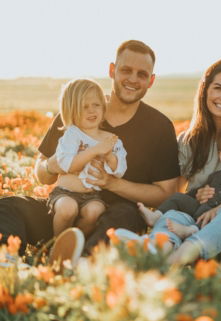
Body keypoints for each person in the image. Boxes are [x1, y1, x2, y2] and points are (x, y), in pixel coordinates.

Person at [0, 40, 180, 260]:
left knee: (127, 215)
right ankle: (7, 262)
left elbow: (166, 194)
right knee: (8, 207)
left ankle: (79, 262)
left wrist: (113, 183)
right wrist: (51, 165)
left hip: (112, 218)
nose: (133, 79)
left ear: (151, 81)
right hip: (63, 210)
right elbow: (42, 174)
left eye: (142, 74)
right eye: (126, 70)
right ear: (112, 70)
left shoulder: (159, 127)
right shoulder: (78, 110)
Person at [116, 58, 221, 265]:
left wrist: (219, 209)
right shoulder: (188, 140)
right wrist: (195, 196)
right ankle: (158, 248)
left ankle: (178, 259)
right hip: (198, 220)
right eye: (218, 88)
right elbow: (174, 192)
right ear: (205, 90)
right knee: (174, 214)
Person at [138, 125, 221, 240]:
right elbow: (198, 191)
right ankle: (156, 216)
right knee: (177, 198)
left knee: (210, 220)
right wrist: (195, 195)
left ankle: (191, 230)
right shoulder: (216, 175)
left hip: (220, 214)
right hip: (200, 207)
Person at [48, 78, 127, 237]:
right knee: (67, 209)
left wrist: (110, 156)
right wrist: (95, 150)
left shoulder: (111, 139)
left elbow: (120, 170)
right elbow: (67, 165)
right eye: (84, 107)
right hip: (65, 192)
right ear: (71, 110)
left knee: (95, 211)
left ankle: (77, 243)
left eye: (96, 105)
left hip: (92, 196)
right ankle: (57, 244)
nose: (92, 111)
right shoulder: (72, 134)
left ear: (103, 107)